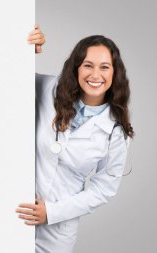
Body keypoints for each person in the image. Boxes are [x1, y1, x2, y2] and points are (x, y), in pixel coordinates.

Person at [15, 25, 134, 252]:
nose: (95, 75)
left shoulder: (116, 131)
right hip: (17, 210)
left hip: (58, 229)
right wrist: (27, 50)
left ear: (114, 73)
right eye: (87, 65)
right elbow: (6, 76)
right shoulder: (50, 89)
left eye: (104, 67)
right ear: (76, 68)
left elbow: (104, 189)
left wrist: (51, 212)